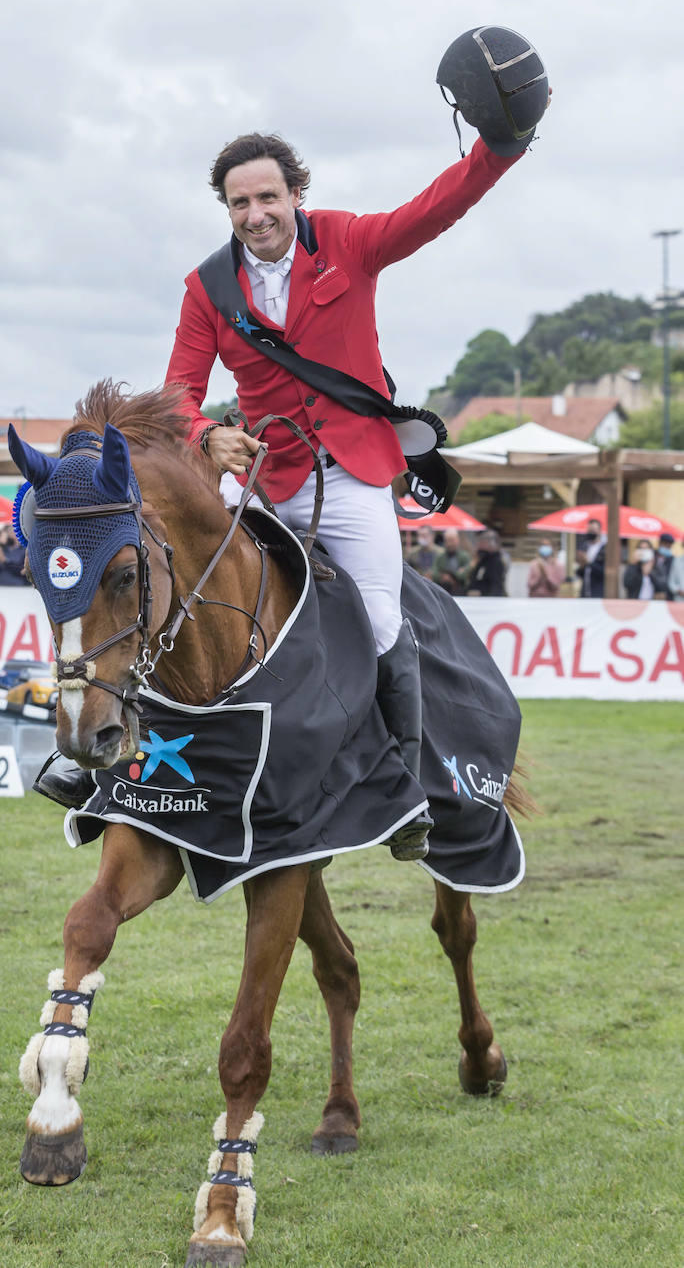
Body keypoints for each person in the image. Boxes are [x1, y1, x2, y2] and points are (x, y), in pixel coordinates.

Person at [162, 122, 535, 861]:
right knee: (218, 612)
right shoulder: (206, 288)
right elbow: (179, 391)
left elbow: (434, 208)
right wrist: (206, 436)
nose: (255, 213)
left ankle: (403, 786)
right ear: (226, 209)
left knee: (381, 620)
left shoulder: (348, 241)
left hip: (355, 473)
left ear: (296, 194)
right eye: (239, 203)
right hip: (269, 481)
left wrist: (502, 145)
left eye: (268, 196)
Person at [431, 527, 472, 597]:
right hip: (442, 588)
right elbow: (434, 572)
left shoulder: (464, 556)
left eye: (452, 540)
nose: (449, 544)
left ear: (457, 540)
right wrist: (442, 576)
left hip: (460, 589)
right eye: (447, 541)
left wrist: (451, 577)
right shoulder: (440, 557)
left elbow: (465, 573)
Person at [467, 530, 507, 597]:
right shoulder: (482, 560)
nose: (478, 545)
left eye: (482, 542)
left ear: (491, 544)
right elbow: (474, 579)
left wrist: (481, 593)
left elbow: (496, 586)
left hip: (487, 600)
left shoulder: (496, 562)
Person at [576, 518, 606, 598]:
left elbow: (604, 572)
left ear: (599, 531)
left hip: (599, 594)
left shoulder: (605, 548)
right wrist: (582, 565)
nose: (591, 533)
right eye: (589, 530)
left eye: (593, 530)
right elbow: (581, 574)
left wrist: (589, 562)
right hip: (585, 593)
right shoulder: (585, 546)